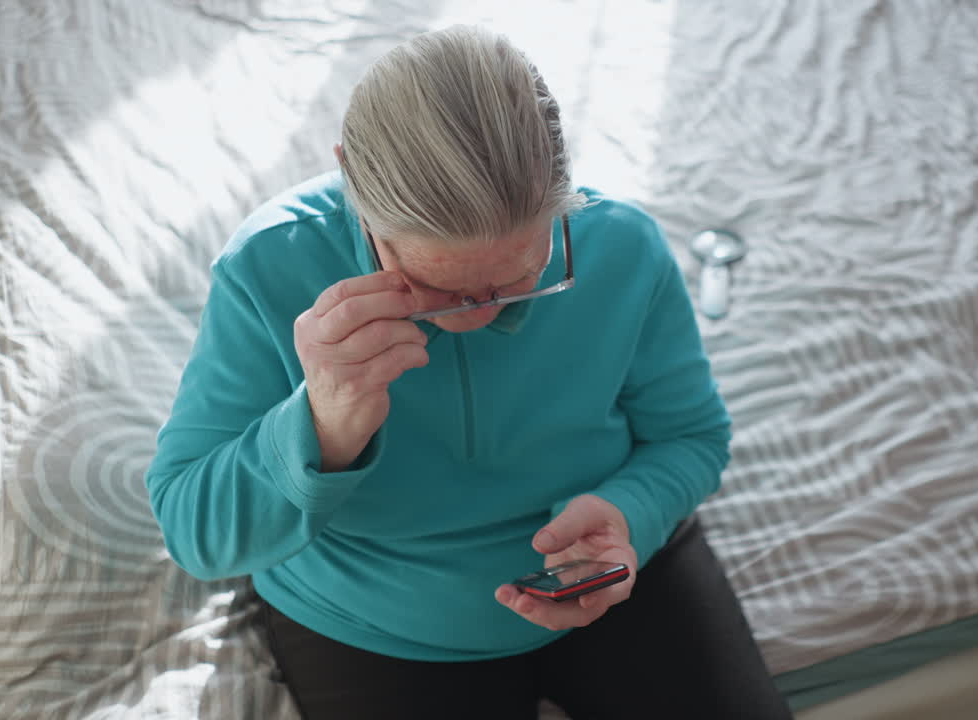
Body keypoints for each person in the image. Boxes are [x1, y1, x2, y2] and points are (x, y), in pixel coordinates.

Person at [146, 24, 792, 720]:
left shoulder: (623, 247)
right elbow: (197, 539)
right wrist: (320, 427)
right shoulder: (268, 267)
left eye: (520, 277)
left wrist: (630, 515)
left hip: (618, 577)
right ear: (353, 186)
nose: (479, 314)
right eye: (436, 285)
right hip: (374, 629)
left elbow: (691, 436)